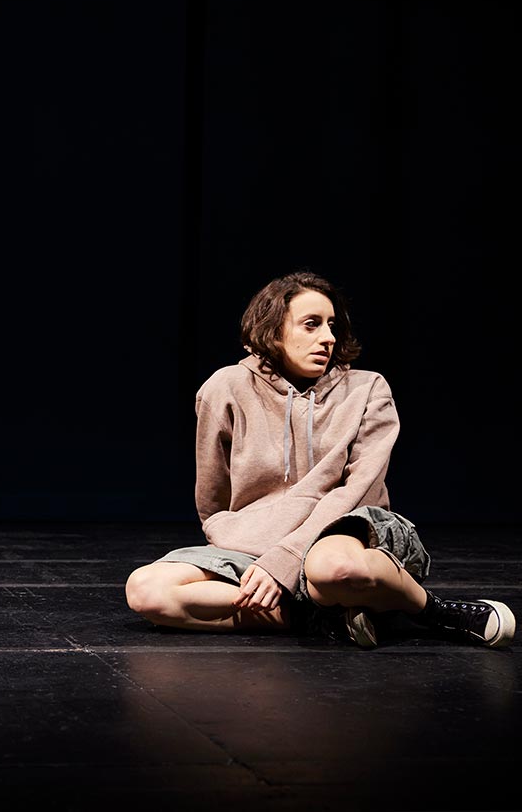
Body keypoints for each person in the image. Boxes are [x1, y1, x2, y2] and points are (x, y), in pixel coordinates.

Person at [125, 270, 514, 649]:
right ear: (273, 331)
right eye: (311, 324)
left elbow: (359, 490)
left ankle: (433, 611)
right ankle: (318, 615)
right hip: (256, 543)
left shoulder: (367, 388)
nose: (328, 337)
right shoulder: (225, 387)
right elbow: (213, 499)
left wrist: (286, 558)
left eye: (332, 325)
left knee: (334, 570)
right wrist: (254, 547)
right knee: (146, 591)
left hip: (344, 530)